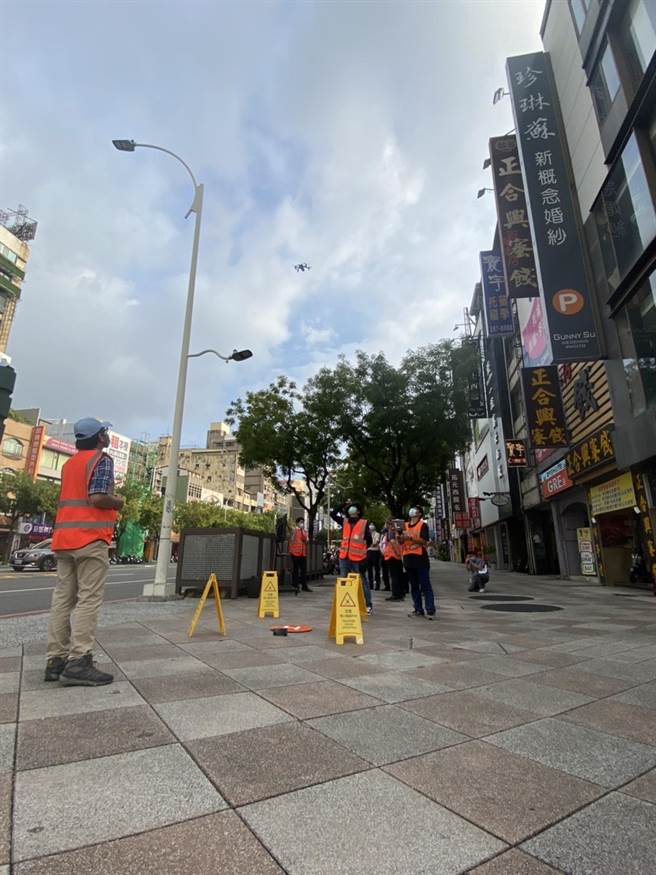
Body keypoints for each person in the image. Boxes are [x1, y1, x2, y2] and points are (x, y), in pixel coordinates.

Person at [44, 418, 125, 686]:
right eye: (105, 432)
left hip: (64, 540)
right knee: (88, 599)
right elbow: (98, 497)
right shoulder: (101, 460)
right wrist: (119, 503)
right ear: (99, 438)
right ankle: (79, 660)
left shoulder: (69, 464)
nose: (107, 436)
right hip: (90, 540)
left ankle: (55, 660)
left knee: (62, 600)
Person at [331, 502, 373, 613]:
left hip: (358, 558)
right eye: (350, 508)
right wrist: (343, 504)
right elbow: (333, 514)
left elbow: (369, 541)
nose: (352, 509)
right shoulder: (344, 521)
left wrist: (362, 552)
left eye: (354, 508)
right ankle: (343, 604)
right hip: (344, 556)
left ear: (359, 511)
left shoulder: (364, 523)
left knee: (363, 581)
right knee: (343, 580)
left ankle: (368, 605)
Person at [400, 506, 436, 619]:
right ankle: (418, 609)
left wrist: (410, 538)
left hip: (420, 559)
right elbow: (401, 540)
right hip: (408, 558)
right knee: (414, 586)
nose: (411, 510)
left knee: (425, 585)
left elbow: (423, 541)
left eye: (415, 509)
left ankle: (430, 609)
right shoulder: (404, 525)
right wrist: (399, 537)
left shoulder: (422, 525)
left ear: (419, 513)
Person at [381, 517, 405, 601]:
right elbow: (400, 542)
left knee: (394, 576)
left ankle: (395, 595)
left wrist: (396, 552)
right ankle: (400, 594)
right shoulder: (397, 531)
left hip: (392, 555)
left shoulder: (391, 531)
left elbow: (392, 542)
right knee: (399, 575)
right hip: (397, 556)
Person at [289, 516, 312, 593]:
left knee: (303, 570)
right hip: (295, 553)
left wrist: (302, 531)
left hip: (302, 553)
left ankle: (304, 586)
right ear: (297, 523)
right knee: (295, 570)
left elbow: (306, 541)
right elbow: (291, 539)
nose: (302, 524)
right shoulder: (294, 530)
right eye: (300, 522)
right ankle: (295, 585)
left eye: (303, 522)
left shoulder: (304, 531)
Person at [366, 523, 382, 591]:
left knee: (376, 569)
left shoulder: (377, 534)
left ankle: (377, 585)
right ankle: (371, 585)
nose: (370, 530)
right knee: (369, 570)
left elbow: (376, 542)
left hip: (375, 552)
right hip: (369, 552)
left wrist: (370, 545)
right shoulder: (367, 535)